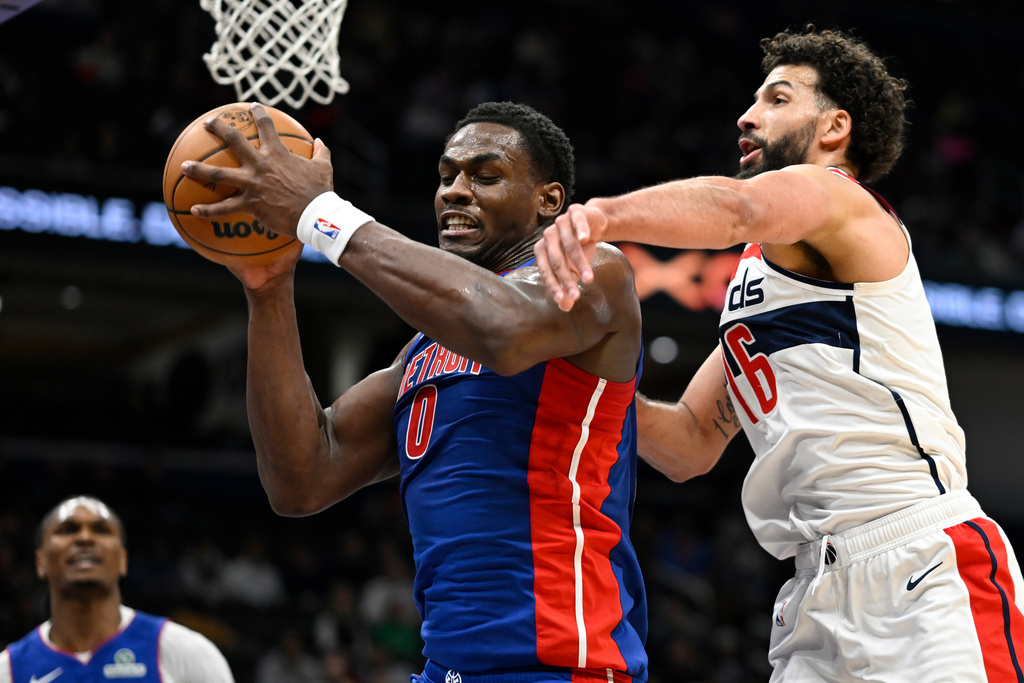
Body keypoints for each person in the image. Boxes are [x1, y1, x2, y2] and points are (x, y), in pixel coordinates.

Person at [532, 24, 1024, 682]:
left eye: (777, 98)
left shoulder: (839, 199)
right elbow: (687, 444)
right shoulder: (756, 284)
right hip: (814, 593)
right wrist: (573, 371)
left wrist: (600, 215)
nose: (748, 113)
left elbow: (736, 208)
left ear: (834, 127)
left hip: (920, 562)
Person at [181, 101, 649, 682]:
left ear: (548, 202)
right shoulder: (422, 351)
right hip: (445, 670)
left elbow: (503, 331)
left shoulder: (592, 270)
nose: (455, 190)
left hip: (562, 666)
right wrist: (269, 289)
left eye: (485, 176)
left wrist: (323, 215)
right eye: (447, 175)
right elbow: (301, 478)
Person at [0, 495, 235, 683]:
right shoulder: (8, 670)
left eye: (101, 530)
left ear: (123, 560)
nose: (84, 538)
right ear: (40, 562)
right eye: (68, 529)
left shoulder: (186, 653)